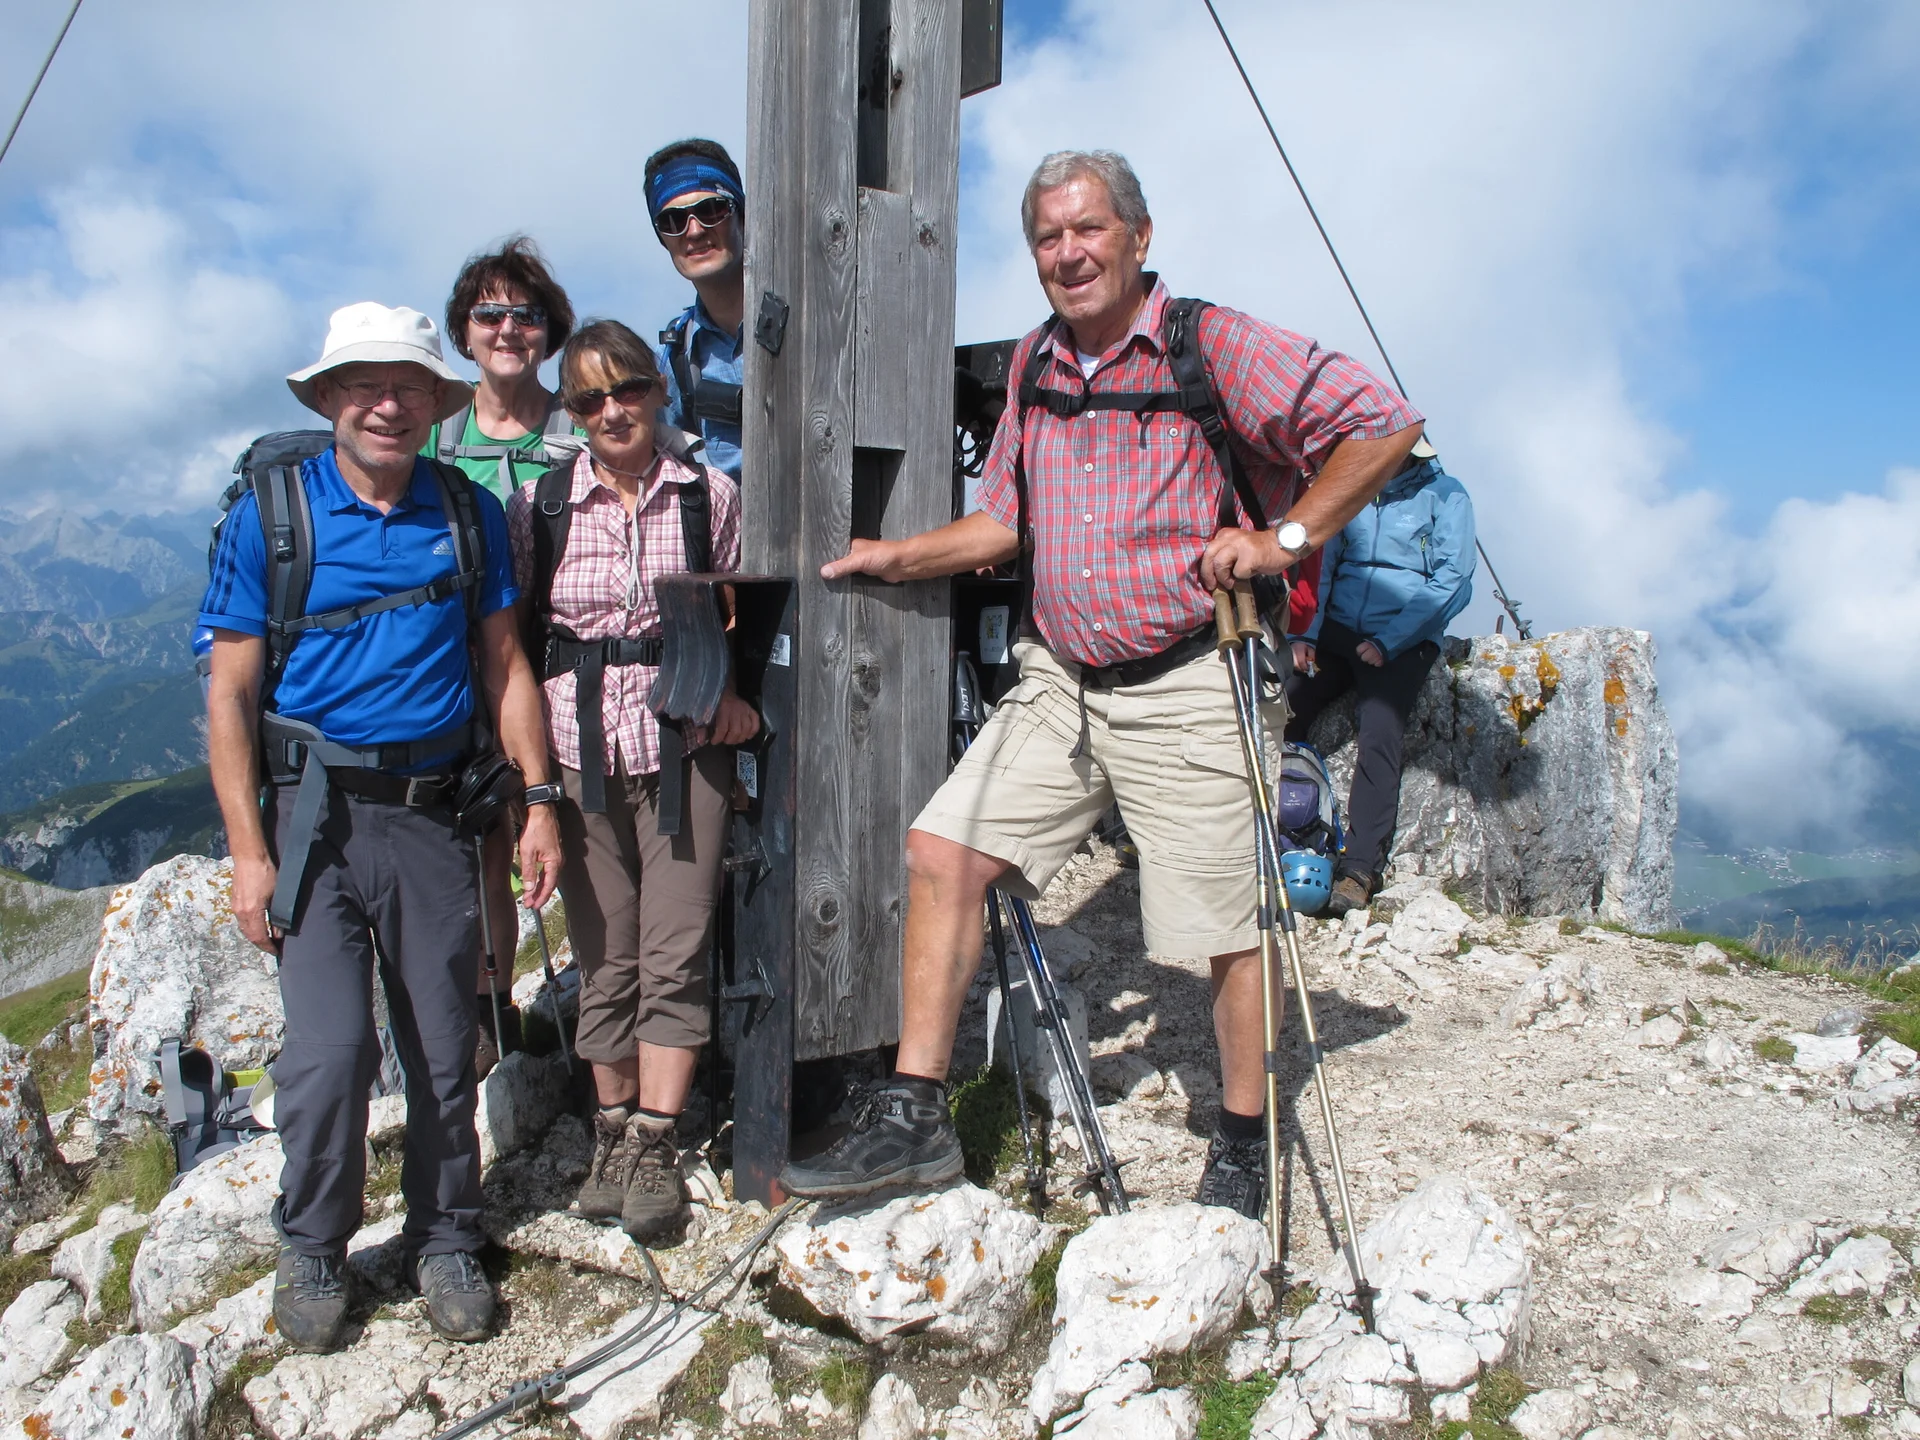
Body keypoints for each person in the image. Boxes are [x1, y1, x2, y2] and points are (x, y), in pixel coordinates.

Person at [776, 150, 1423, 1222]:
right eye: (1048, 237)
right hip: (1061, 678)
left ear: (1138, 236)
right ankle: (916, 1116)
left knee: (1224, 924)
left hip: (1190, 675)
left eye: (1088, 230)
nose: (1068, 253)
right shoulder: (1037, 362)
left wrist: (1284, 537)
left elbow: (1382, 421)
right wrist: (898, 558)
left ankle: (1244, 1137)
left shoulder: (1208, 343)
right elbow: (1006, 520)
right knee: (944, 853)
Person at [201, 302, 563, 1353]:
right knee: (329, 1054)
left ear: (434, 403)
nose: (387, 405)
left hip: (433, 814)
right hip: (311, 822)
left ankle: (445, 1234)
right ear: (328, 398)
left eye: (408, 386)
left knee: (445, 1043)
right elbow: (229, 695)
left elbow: (505, 665)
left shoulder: (466, 511)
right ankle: (313, 1243)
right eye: (364, 384)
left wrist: (538, 801)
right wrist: (248, 853)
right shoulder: (270, 518)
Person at [506, 320, 754, 1239]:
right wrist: (528, 784)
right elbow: (514, 643)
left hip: (685, 745)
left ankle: (654, 1140)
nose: (613, 411)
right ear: (572, 411)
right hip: (578, 758)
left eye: (630, 389)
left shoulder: (707, 495)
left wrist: (740, 700)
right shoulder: (540, 507)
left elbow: (739, 610)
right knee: (604, 955)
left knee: (674, 951)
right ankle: (611, 1131)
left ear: (657, 391)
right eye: (590, 398)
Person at [429, 236, 581, 1078]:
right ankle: (493, 1013)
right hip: (465, 671)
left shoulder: (579, 427)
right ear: (464, 330)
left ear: (549, 331)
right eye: (489, 313)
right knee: (483, 839)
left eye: (527, 314)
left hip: (565, 665)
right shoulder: (434, 442)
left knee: (574, 830)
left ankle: (604, 1010)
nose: (508, 328)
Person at [1286, 448, 1475, 915]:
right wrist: (1304, 634)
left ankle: (1359, 869)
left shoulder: (1447, 496)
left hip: (1403, 639)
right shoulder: (1355, 489)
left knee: (1380, 733)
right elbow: (1324, 564)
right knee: (1283, 709)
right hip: (1339, 629)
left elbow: (1453, 579)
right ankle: (1270, 839)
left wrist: (1389, 641)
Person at [645, 139, 746, 480]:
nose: (695, 230)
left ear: (742, 215)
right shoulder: (675, 358)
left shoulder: (811, 319)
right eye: (673, 220)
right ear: (663, 240)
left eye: (711, 210)